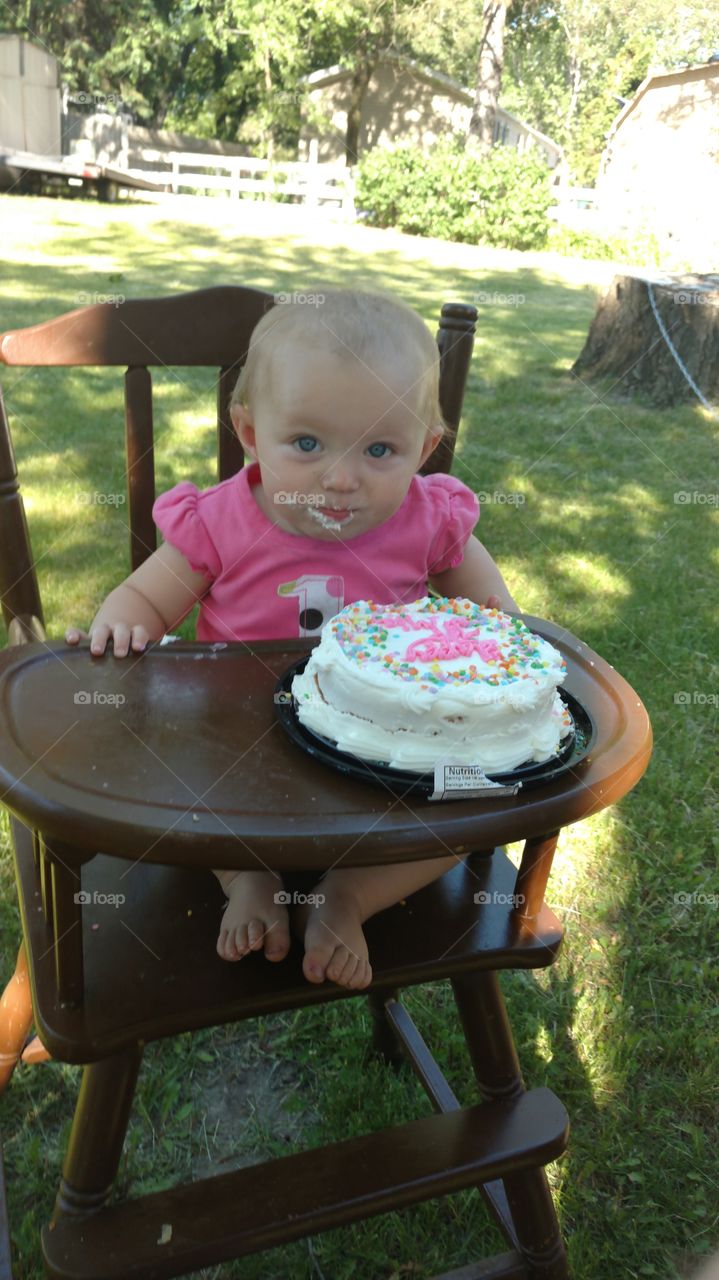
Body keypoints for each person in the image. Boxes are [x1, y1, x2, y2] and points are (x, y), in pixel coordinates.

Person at [66, 288, 519, 990]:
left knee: (480, 794)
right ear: (249, 432)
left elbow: (496, 617)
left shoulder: (429, 520)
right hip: (241, 746)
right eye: (306, 444)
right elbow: (144, 600)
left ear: (425, 448)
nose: (340, 479)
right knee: (175, 774)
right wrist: (123, 624)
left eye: (379, 449)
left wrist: (492, 633)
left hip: (386, 747)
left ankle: (348, 896)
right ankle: (249, 879)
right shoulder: (221, 522)